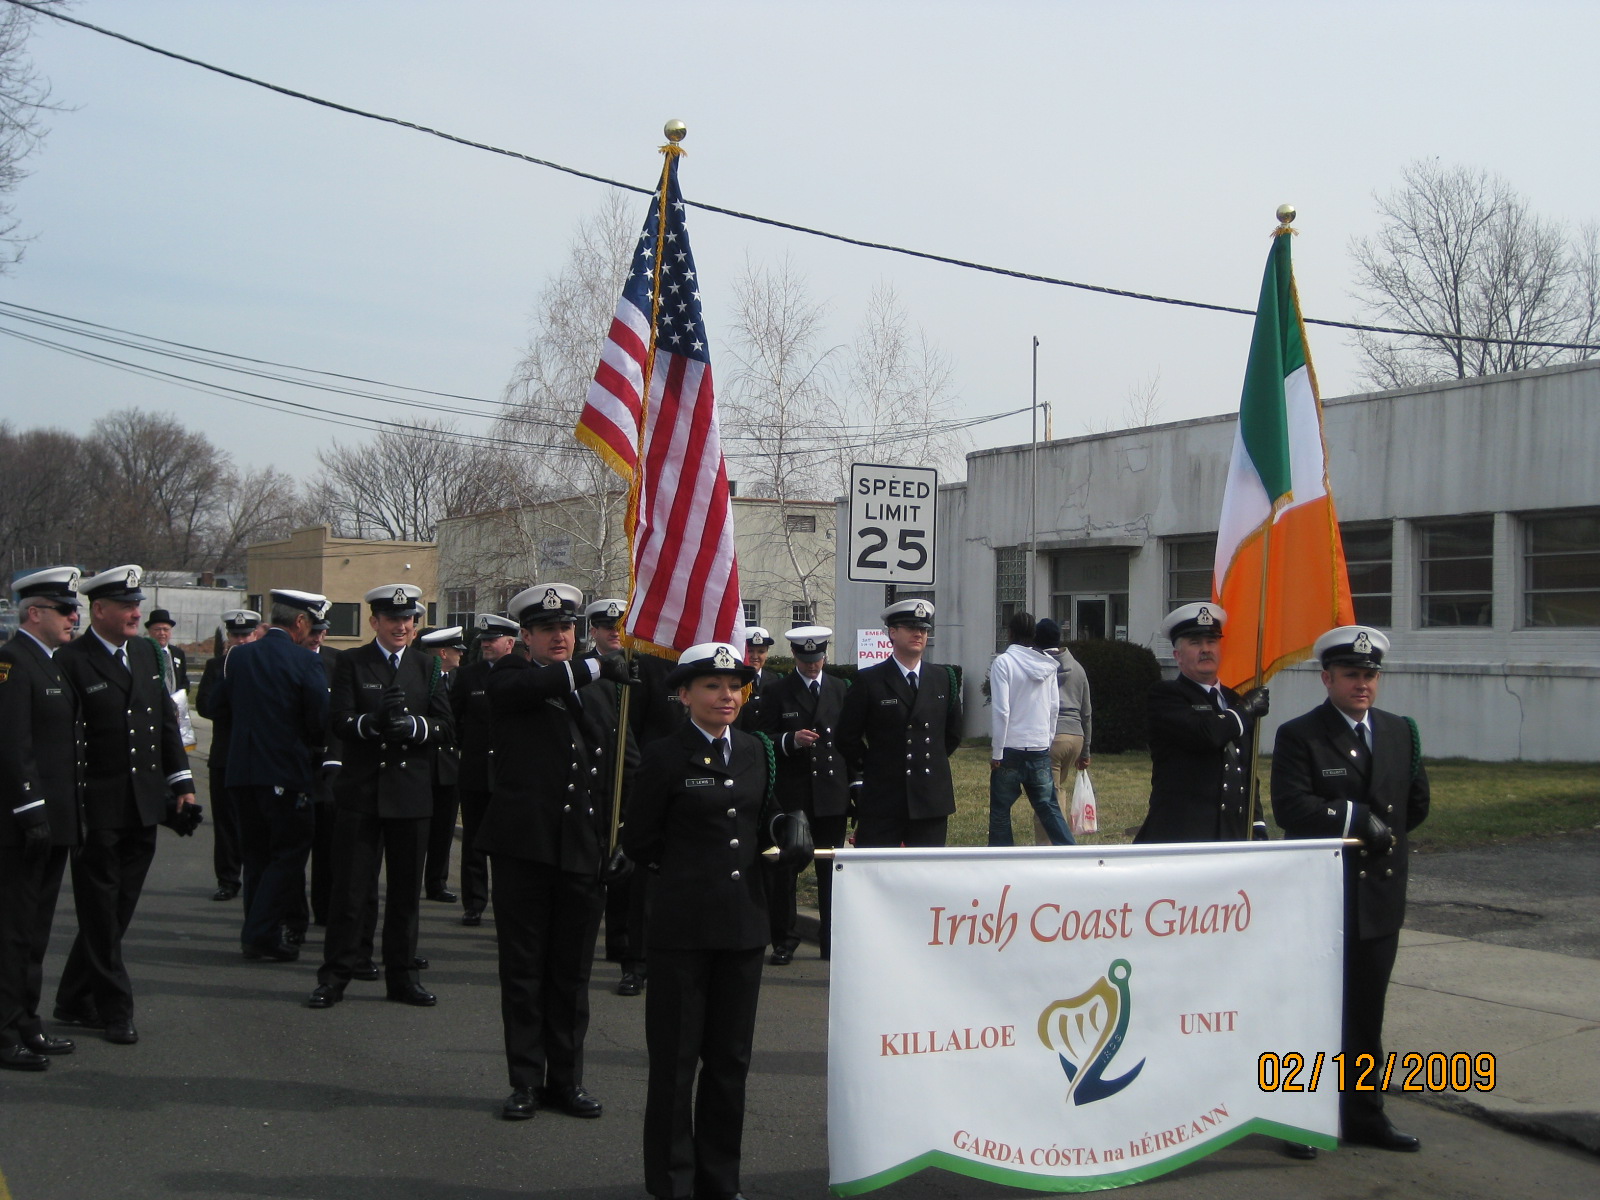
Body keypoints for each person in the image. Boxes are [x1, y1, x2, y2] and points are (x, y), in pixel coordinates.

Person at [624, 640, 810, 1200]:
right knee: (677, 1065)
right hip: (683, 930)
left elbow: (761, 811)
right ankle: (673, 1183)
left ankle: (719, 1182)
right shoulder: (662, 755)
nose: (726, 695)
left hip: (743, 927)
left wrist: (786, 827)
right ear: (683, 695)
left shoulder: (754, 748)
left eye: (735, 686)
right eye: (711, 686)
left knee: (730, 1064)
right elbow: (641, 839)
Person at [1273, 626, 1430, 1158]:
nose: (1362, 684)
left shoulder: (1399, 732)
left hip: (1380, 898)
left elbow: (1416, 804)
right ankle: (1303, 1116)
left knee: (1366, 1013)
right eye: (1351, 675)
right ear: (1327, 678)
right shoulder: (1302, 735)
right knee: (1315, 1012)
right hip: (1324, 897)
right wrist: (1355, 817)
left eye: (1370, 675)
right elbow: (1292, 808)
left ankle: (1364, 1116)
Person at [483, 583, 637, 1122]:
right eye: (548, 629)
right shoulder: (509, 677)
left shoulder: (597, 689)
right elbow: (531, 689)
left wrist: (623, 840)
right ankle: (525, 1081)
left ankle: (566, 1081)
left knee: (571, 974)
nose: (560, 637)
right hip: (524, 850)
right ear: (524, 636)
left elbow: (624, 765)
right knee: (524, 970)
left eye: (567, 628)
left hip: (581, 849)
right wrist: (598, 668)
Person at [54, 565, 199, 1046]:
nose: (137, 613)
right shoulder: (72, 660)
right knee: (99, 910)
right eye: (126, 606)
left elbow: (164, 719)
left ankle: (73, 998)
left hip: (144, 805)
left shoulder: (145, 652)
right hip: (96, 808)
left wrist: (182, 784)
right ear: (99, 610)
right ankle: (115, 1009)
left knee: (117, 911)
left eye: (137, 604)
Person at [309, 584, 452, 1010]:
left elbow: (446, 726)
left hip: (410, 796)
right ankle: (335, 976)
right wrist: (370, 723)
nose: (402, 627)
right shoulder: (353, 662)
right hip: (363, 792)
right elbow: (337, 721)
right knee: (351, 892)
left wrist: (414, 728)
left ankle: (402, 978)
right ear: (375, 622)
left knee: (406, 896)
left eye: (408, 620)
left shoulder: (427, 666)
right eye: (393, 619)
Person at [213, 590, 331, 963]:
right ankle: (258, 932)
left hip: (243, 772)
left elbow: (218, 705)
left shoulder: (239, 657)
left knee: (256, 855)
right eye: (310, 624)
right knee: (289, 854)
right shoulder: (304, 661)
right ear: (299, 622)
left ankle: (258, 929)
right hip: (286, 772)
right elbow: (318, 720)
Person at [0, 569, 85, 1071]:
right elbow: (13, 745)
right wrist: (31, 809)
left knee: (35, 931)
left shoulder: (50, 664)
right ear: (35, 613)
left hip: (52, 824)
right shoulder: (12, 660)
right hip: (20, 825)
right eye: (66, 610)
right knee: (12, 930)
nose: (75, 617)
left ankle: (26, 1019)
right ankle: (5, 1028)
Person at [1135, 603, 1270, 844]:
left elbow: (1246, 769)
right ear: (1178, 656)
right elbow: (1206, 734)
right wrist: (1245, 711)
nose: (1205, 650)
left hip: (1231, 833)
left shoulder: (1233, 700)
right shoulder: (1166, 696)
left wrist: (1256, 824)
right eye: (1195, 643)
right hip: (1182, 836)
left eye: (1211, 642)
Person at [837, 599, 963, 848]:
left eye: (924, 629)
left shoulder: (943, 679)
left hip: (930, 797)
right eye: (910, 627)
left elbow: (952, 733)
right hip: (884, 797)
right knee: (878, 874)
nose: (919, 634)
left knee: (925, 875)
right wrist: (876, 765)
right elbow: (846, 737)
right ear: (892, 633)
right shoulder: (870, 680)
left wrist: (923, 760)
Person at [758, 624, 849, 962]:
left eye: (819, 658)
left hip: (830, 793)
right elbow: (762, 738)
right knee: (786, 869)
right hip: (793, 793)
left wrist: (854, 787)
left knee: (831, 869)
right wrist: (790, 740)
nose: (814, 665)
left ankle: (831, 940)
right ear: (795, 656)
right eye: (807, 659)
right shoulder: (778, 691)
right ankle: (784, 939)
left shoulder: (840, 688)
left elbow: (850, 741)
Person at [451, 613, 519, 928]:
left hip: (510, 772)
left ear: (510, 643)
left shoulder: (524, 674)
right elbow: (454, 719)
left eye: (493, 640)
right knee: (475, 842)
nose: (486, 645)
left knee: (509, 845)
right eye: (484, 641)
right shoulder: (468, 676)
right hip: (476, 770)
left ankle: (508, 906)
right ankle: (474, 903)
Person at [987, 610, 1071, 847]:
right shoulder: (1048, 665)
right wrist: (1047, 739)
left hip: (1011, 748)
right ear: (1034, 635)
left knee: (1001, 811)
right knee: (1049, 808)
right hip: (1039, 746)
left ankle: (1001, 861)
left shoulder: (1003, 662)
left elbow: (1002, 710)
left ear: (1009, 633)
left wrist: (997, 752)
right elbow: (1054, 707)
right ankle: (1071, 853)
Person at [196, 608, 263, 901]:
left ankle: (257, 878)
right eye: (235, 636)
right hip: (225, 755)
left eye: (245, 635)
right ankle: (227, 879)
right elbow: (206, 706)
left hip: (260, 757)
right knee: (225, 823)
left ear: (255, 636)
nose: (240, 641)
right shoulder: (216, 667)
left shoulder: (265, 665)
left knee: (259, 823)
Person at [416, 625, 466, 904]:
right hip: (422, 763)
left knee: (444, 830)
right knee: (415, 830)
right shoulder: (421, 679)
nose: (461, 654)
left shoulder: (462, 680)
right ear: (443, 652)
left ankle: (437, 882)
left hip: (450, 764)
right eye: (457, 649)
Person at [1033, 618, 1092, 844]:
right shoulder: (1078, 667)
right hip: (1075, 736)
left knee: (1048, 799)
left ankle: (1050, 848)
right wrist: (1085, 751)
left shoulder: (1038, 666)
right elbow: (1087, 712)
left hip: (1052, 737)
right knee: (1057, 790)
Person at [305, 616, 342, 928]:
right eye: (312, 631)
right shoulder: (287, 660)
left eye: (321, 632)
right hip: (291, 763)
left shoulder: (336, 661)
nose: (317, 637)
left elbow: (341, 711)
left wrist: (335, 758)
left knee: (326, 845)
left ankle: (324, 908)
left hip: (327, 766)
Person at [738, 625, 781, 732]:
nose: (755, 656)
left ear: (767, 653)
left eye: (761, 651)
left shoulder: (776, 680)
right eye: (750, 651)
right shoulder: (735, 681)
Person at [144, 608, 191, 693]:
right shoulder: (143, 653)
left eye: (166, 629)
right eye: (157, 629)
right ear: (149, 631)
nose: (162, 633)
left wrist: (182, 693)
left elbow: (183, 679)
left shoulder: (178, 653)